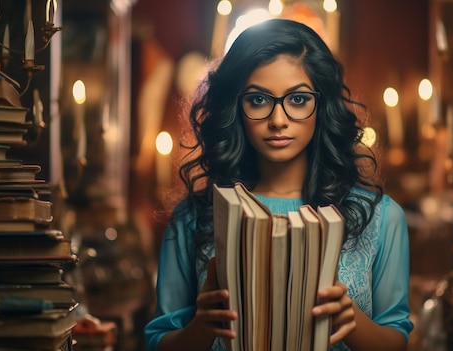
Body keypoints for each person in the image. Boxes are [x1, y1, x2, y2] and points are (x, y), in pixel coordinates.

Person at [144, 18, 413, 351]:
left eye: (298, 100)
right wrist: (203, 326)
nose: (278, 120)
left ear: (322, 104)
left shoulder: (381, 219)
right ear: (236, 108)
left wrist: (350, 320)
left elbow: (397, 342)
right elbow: (158, 343)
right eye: (258, 100)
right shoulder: (192, 218)